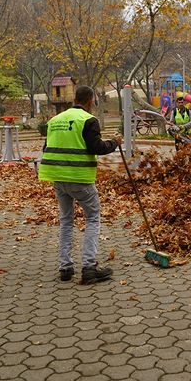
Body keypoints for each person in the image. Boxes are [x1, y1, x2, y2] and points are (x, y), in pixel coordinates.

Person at [38, 86, 122, 284]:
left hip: (57, 177)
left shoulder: (55, 121)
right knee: (92, 218)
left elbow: (47, 148)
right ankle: (89, 267)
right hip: (79, 177)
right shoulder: (88, 120)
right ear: (90, 101)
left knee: (66, 220)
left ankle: (65, 267)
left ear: (74, 98)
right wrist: (115, 142)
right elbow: (97, 147)